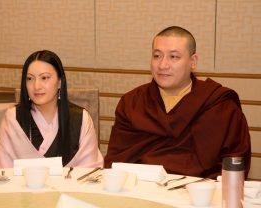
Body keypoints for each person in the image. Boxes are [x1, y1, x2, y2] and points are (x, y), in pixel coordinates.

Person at [104, 26, 251, 179]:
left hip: (199, 195)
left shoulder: (219, 104)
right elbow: (116, 161)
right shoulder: (132, 102)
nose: (162, 65)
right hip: (140, 189)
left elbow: (234, 164)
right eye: (157, 56)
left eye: (173, 57)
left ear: (193, 61)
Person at [0, 50, 103, 169]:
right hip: (22, 187)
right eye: (30, 79)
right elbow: (2, 170)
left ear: (60, 82)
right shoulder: (13, 118)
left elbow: (91, 170)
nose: (36, 86)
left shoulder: (80, 119)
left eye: (44, 78)